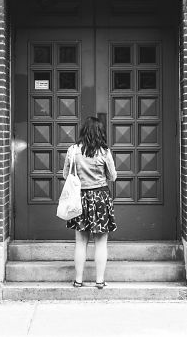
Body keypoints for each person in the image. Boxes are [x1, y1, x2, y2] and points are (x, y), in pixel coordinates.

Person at [62, 115, 118, 289]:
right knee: (101, 242)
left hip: (80, 198)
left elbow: (65, 175)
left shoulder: (72, 150)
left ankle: (78, 280)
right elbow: (113, 177)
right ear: (100, 132)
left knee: (80, 242)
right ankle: (99, 280)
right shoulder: (104, 152)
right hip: (100, 198)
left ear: (83, 131)